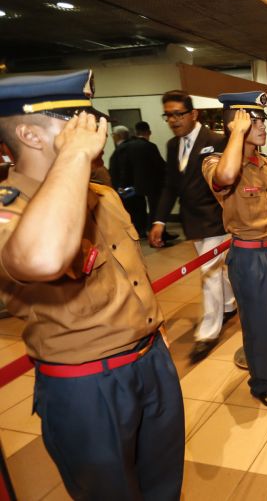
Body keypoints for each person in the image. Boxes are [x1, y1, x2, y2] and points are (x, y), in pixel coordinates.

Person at [0, 70, 184, 499]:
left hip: (149, 361)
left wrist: (154, 333)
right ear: (29, 133)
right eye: (77, 120)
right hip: (88, 386)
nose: (96, 129)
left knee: (164, 488)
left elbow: (131, 274)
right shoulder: (10, 209)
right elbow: (43, 257)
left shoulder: (102, 195)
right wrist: (74, 157)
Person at [201, 91, 267, 409]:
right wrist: (236, 134)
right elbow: (226, 177)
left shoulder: (264, 162)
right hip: (249, 255)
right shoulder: (216, 162)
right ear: (237, 126)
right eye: (255, 121)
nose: (263, 127)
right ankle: (260, 384)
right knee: (258, 324)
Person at [149, 90, 236, 362]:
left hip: (216, 219)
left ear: (193, 114)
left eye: (178, 114)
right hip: (193, 222)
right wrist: (159, 220)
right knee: (217, 269)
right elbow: (170, 186)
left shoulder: (216, 140)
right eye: (168, 115)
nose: (173, 120)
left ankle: (208, 332)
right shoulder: (173, 146)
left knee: (208, 274)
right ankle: (231, 303)